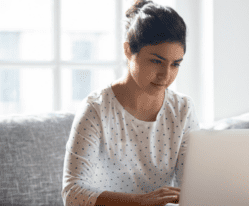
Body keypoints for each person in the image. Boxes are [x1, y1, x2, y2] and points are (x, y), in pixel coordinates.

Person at [61, 0, 201, 206]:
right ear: (128, 50)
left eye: (175, 64)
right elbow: (72, 194)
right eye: (156, 61)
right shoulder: (96, 109)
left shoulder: (183, 110)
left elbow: (193, 188)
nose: (166, 75)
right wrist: (141, 201)